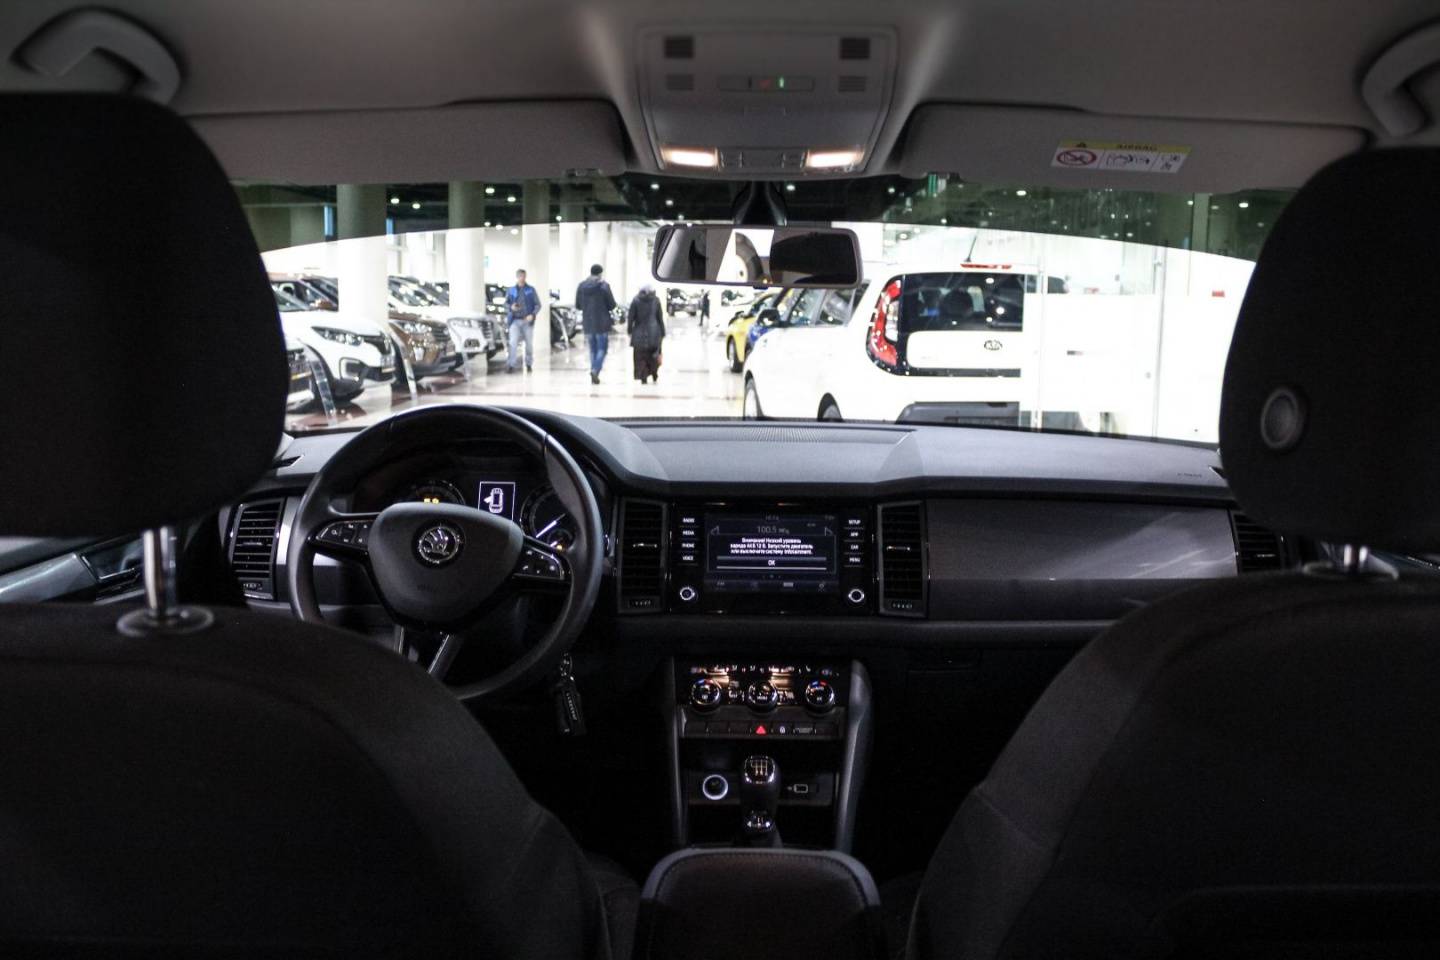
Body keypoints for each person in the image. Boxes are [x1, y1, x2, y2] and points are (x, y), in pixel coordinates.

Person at [575, 263, 616, 384]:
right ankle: (595, 370)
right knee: (602, 349)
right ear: (600, 273)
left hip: (588, 322)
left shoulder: (581, 286)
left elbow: (578, 305)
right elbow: (612, 305)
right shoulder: (604, 286)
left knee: (592, 349)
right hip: (602, 322)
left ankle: (594, 371)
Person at [504, 268, 541, 373]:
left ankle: (529, 364)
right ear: (517, 277)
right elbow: (505, 304)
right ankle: (511, 364)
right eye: (520, 276)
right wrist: (511, 307)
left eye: (524, 276)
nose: (522, 278)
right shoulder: (511, 290)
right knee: (513, 343)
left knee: (529, 344)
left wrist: (532, 314)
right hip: (515, 321)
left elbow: (538, 304)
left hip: (527, 321)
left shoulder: (531, 290)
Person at [627, 283, 666, 383]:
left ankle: (643, 375)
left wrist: (629, 330)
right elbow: (660, 318)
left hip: (639, 333)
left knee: (640, 356)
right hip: (654, 332)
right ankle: (654, 373)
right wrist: (663, 331)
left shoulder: (636, 300)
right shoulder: (656, 300)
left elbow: (631, 318)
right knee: (653, 355)